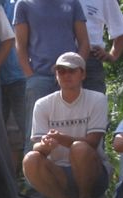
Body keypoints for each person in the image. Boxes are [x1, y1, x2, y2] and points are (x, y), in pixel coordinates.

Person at [22, 52, 109, 198]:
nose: (66, 75)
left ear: (83, 74)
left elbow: (93, 142)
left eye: (72, 71)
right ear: (56, 76)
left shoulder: (98, 99)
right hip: (58, 173)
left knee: (79, 148)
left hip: (93, 173)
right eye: (61, 71)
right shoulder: (42, 104)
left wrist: (61, 139)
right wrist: (45, 146)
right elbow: (36, 146)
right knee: (30, 159)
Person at [12, 0, 89, 153]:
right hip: (39, 77)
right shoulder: (24, 4)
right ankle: (33, 167)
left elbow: (84, 42)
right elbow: (20, 45)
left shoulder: (73, 3)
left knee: (75, 129)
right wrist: (30, 75)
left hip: (70, 77)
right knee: (35, 136)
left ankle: (75, 166)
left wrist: (77, 70)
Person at [78, 0, 123, 94]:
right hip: (60, 60)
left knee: (94, 102)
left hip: (91, 61)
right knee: (58, 102)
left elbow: (122, 31)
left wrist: (112, 55)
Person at [0, 0, 26, 172]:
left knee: (25, 131)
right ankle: (2, 179)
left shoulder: (19, 4)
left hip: (20, 76)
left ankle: (25, 179)